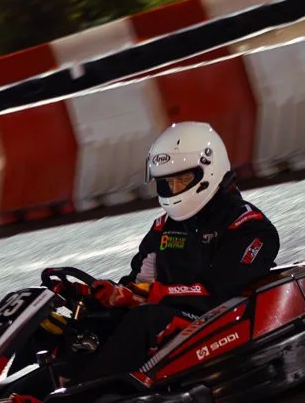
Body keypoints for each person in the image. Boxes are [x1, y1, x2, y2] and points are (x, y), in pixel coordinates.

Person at [58, 121, 279, 386]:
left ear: (208, 172)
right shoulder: (165, 227)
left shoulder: (249, 227)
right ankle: (43, 387)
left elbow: (217, 292)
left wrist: (153, 295)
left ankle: (84, 393)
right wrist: (107, 295)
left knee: (145, 318)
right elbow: (140, 280)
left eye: (181, 180)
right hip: (171, 321)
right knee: (89, 319)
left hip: (218, 322)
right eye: (166, 183)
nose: (172, 190)